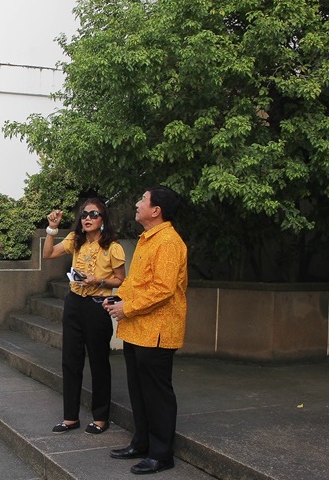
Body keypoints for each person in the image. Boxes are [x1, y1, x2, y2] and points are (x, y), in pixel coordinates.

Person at [104, 186, 187, 475]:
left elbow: (162, 290)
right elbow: (136, 282)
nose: (137, 203)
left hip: (158, 331)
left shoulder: (168, 242)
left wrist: (127, 308)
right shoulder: (148, 239)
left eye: (142, 199)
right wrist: (117, 298)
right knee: (138, 391)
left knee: (157, 394)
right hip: (138, 329)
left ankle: (162, 454)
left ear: (156, 210)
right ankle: (141, 443)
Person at [44, 198, 126, 435]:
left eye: (93, 214)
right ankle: (70, 417)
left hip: (97, 305)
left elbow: (121, 279)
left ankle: (101, 417)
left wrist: (99, 281)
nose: (87, 218)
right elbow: (48, 254)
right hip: (74, 303)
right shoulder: (75, 240)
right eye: (84, 215)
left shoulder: (113, 247)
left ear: (103, 220)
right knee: (70, 360)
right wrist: (52, 229)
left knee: (99, 361)